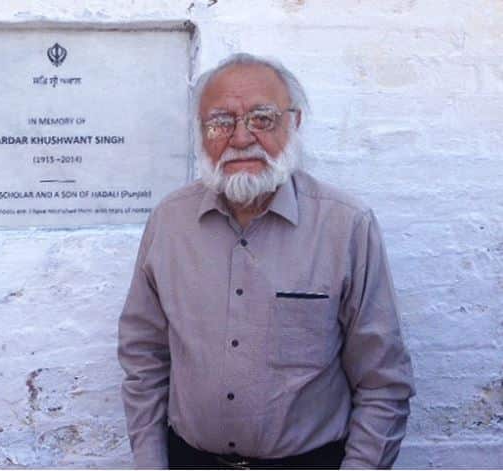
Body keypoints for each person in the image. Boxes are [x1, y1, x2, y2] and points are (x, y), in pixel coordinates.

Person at [117, 53, 415, 469]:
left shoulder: (345, 227)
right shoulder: (169, 223)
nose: (240, 138)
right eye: (220, 122)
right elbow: (143, 358)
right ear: (201, 135)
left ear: (294, 123)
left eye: (262, 118)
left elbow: (383, 381)